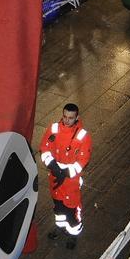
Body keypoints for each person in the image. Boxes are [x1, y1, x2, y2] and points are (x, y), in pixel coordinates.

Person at [40, 103, 92, 249]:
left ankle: (73, 235)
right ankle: (60, 227)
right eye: (65, 116)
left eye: (70, 118)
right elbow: (44, 149)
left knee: (72, 210)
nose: (67, 120)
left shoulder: (83, 136)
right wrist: (54, 167)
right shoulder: (54, 129)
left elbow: (82, 161)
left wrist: (64, 172)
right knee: (58, 208)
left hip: (71, 182)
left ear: (77, 117)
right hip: (55, 179)